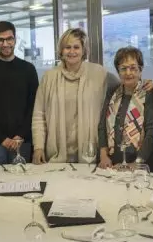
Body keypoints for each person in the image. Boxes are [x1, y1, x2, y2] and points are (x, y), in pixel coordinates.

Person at [31, 28, 119, 164]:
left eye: (76, 47)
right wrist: (38, 147)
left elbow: (125, 86)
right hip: (56, 155)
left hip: (89, 155)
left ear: (84, 50)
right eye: (67, 47)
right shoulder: (49, 77)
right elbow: (39, 115)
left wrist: (145, 85)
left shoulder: (98, 73)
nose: (72, 52)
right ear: (61, 50)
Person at [0, 21, 38, 165]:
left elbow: (34, 105)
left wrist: (20, 135)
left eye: (9, 39)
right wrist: (2, 138)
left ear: (15, 39)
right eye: (0, 40)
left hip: (22, 141)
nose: (5, 44)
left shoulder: (28, 69)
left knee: (22, 182)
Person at [97, 47, 153, 172]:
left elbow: (151, 132)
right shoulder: (112, 92)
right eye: (123, 68)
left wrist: (136, 163)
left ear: (140, 70)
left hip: (142, 166)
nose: (128, 73)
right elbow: (102, 126)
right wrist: (103, 156)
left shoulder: (149, 93)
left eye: (133, 68)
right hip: (114, 165)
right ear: (118, 71)